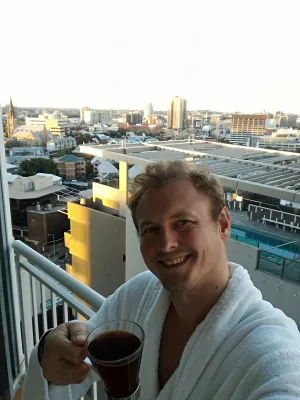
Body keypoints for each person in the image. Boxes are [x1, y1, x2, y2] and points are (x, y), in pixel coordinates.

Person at [23, 160, 300, 400]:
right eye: (151, 229)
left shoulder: (272, 347)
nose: (166, 244)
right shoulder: (138, 294)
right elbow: (78, 357)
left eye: (183, 222)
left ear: (224, 224)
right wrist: (49, 348)